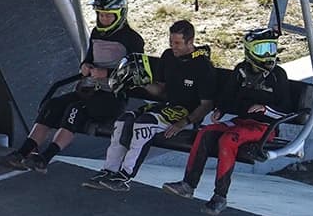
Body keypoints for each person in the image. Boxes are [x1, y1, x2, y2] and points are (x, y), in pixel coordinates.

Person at [0, 0, 144, 173]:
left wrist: (106, 73)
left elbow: (137, 72)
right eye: (101, 15)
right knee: (52, 105)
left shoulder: (133, 39)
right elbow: (90, 59)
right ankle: (23, 153)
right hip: (91, 90)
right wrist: (85, 66)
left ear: (120, 14)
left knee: (75, 110)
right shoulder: (97, 34)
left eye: (108, 16)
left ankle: (46, 157)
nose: (104, 19)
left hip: (112, 97)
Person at [162, 28, 292, 214]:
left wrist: (264, 109)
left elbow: (285, 109)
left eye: (271, 48)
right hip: (242, 123)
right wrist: (220, 110)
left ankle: (219, 196)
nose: (268, 54)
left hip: (265, 127)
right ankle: (188, 185)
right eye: (262, 49)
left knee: (228, 139)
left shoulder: (277, 75)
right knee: (205, 133)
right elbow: (227, 97)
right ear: (249, 50)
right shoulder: (241, 71)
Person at [82, 19, 216, 191]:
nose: (173, 46)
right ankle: (109, 171)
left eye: (177, 43)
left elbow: (206, 104)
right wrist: (142, 81)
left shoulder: (203, 67)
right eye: (171, 42)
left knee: (145, 123)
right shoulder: (168, 56)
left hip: (186, 113)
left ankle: (125, 175)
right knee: (124, 120)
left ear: (190, 42)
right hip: (167, 106)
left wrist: (183, 123)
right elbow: (160, 91)